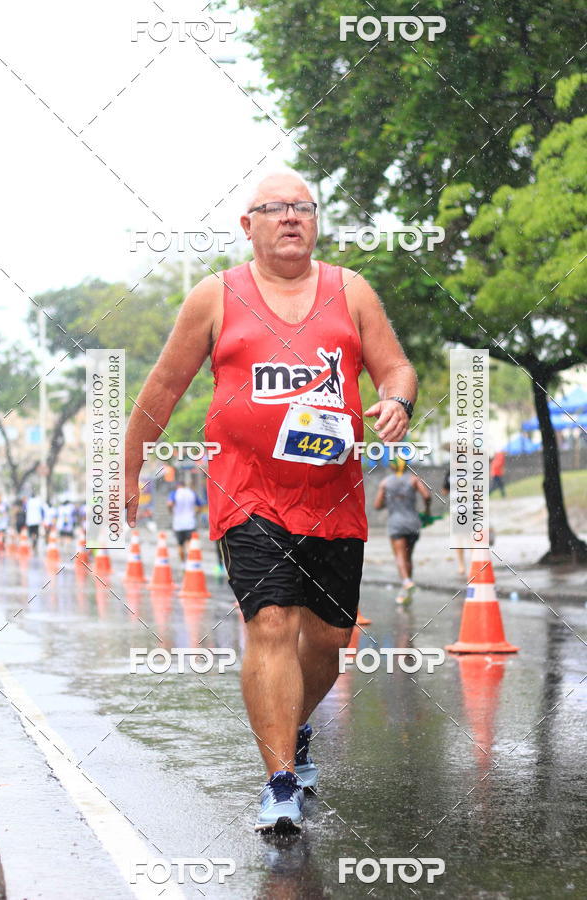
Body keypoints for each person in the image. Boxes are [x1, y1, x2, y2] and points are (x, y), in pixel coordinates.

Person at [124, 170, 417, 834]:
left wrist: (397, 399)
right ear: (247, 226)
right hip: (246, 488)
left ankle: (297, 724)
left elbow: (396, 366)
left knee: (327, 638)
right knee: (272, 624)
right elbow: (163, 388)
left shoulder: (351, 291)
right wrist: (129, 468)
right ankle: (280, 780)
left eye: (302, 208)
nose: (290, 218)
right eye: (274, 209)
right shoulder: (215, 296)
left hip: (333, 494)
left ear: (315, 222)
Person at [374, 457, 431, 604]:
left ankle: (406, 582)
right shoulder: (414, 480)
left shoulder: (385, 483)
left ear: (392, 467)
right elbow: (427, 495)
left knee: (400, 556)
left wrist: (392, 500)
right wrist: (427, 510)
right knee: (408, 557)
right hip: (413, 523)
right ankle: (406, 592)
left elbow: (377, 505)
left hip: (396, 523)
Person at [167, 475, 201, 563]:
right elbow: (200, 505)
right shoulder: (191, 492)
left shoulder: (174, 493)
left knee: (180, 545)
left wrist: (171, 511)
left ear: (177, 485)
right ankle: (191, 563)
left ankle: (183, 563)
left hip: (178, 524)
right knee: (190, 543)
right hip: (190, 522)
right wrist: (196, 513)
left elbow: (170, 504)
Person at [441, 471, 466, 577]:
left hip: (470, 508)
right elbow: (444, 490)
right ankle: (461, 565)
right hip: (456, 510)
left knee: (471, 538)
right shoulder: (449, 474)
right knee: (458, 538)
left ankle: (475, 563)